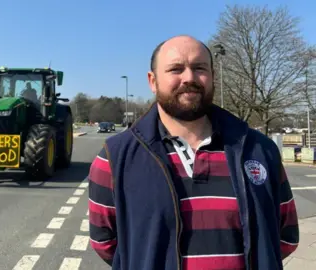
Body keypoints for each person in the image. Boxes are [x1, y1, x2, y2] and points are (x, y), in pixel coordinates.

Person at [87, 35, 299, 270]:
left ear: (213, 77)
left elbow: (284, 236)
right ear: (153, 81)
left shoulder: (260, 150)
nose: (189, 78)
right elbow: (106, 243)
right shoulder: (115, 158)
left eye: (199, 68)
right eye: (176, 69)